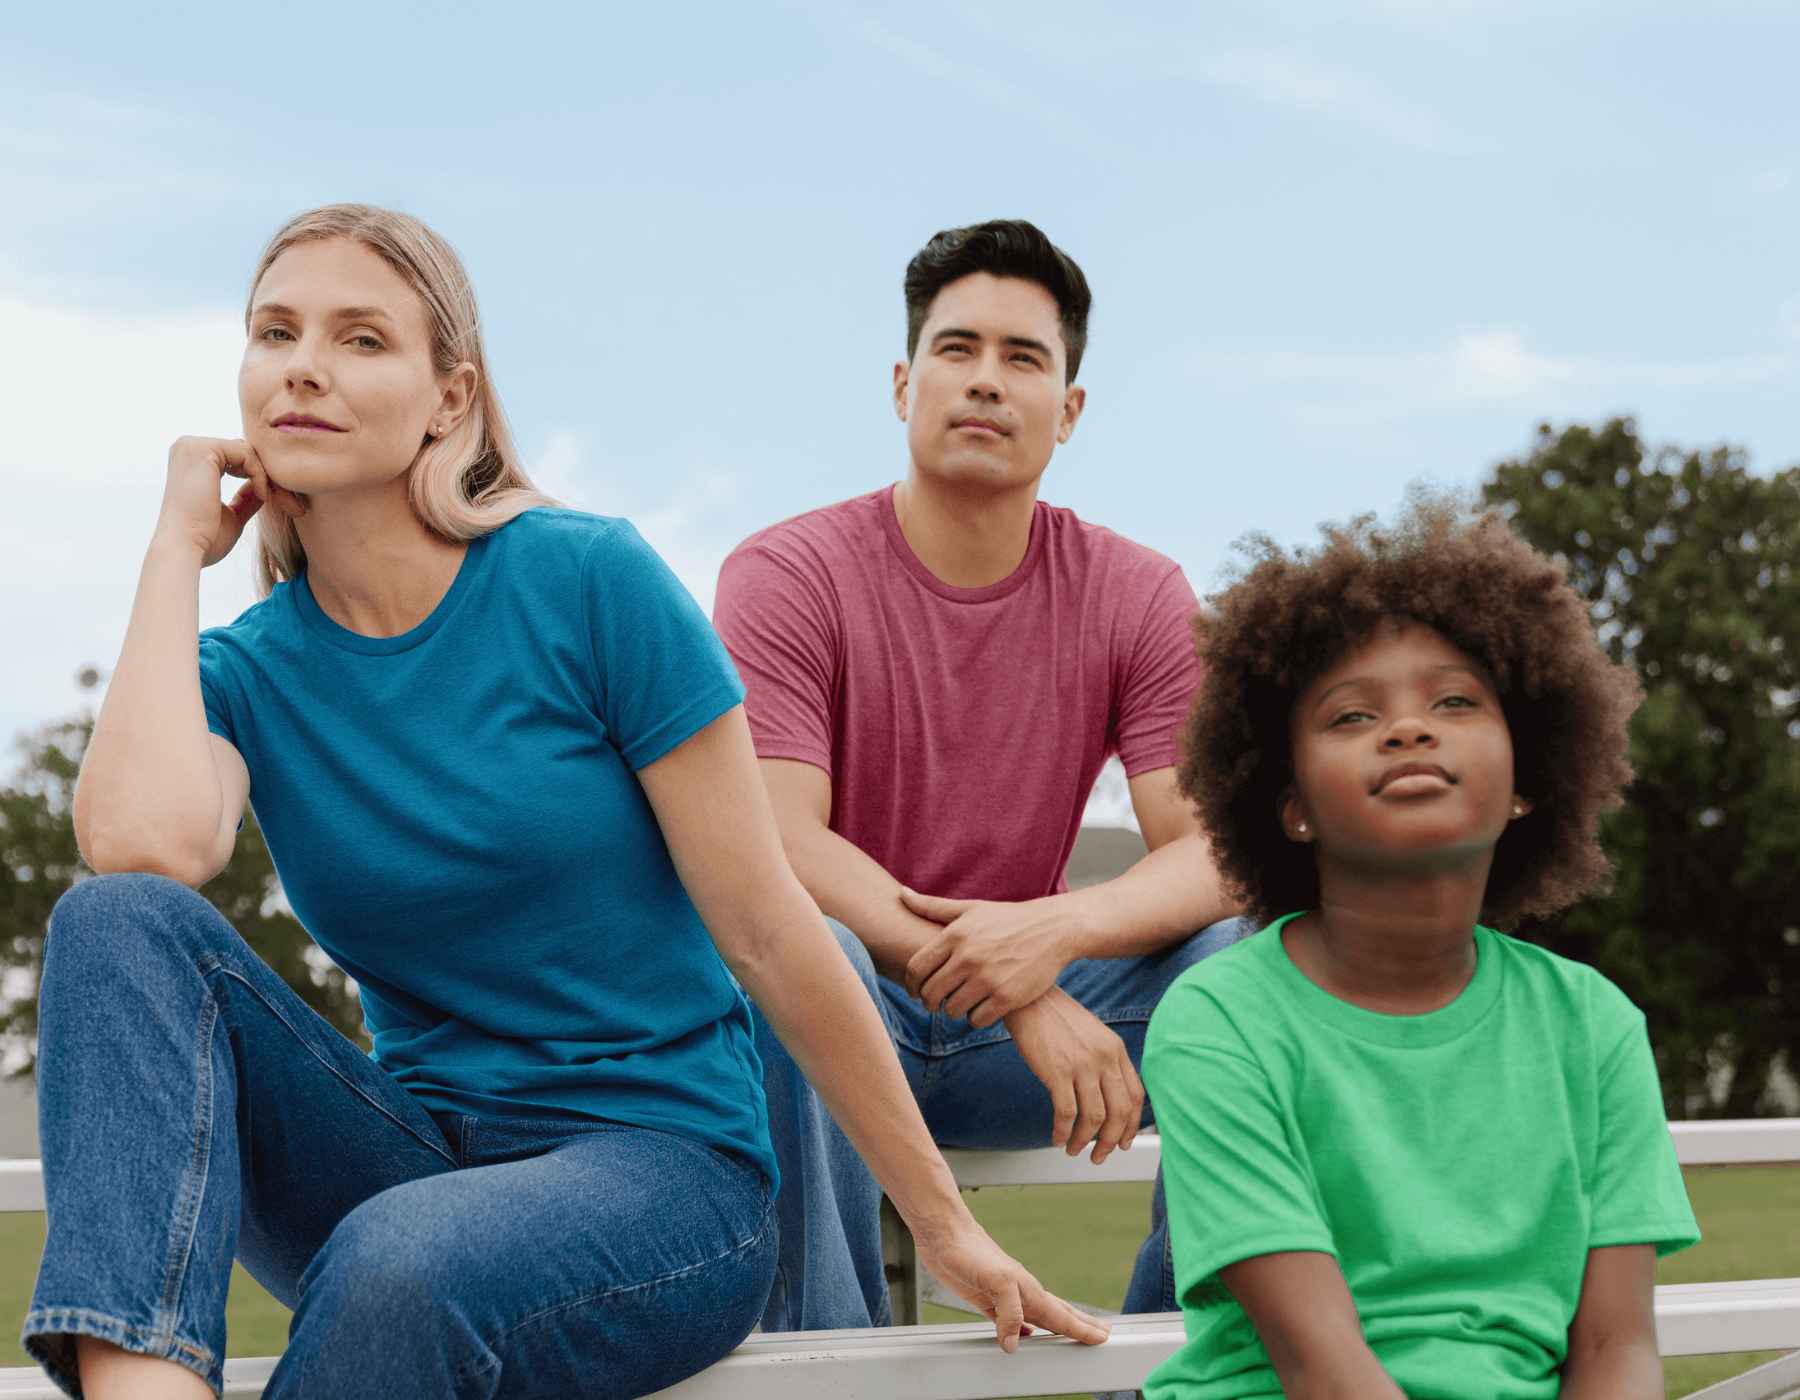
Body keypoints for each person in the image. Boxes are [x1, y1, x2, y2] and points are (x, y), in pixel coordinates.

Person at [23, 204, 1107, 1400]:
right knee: (112, 921)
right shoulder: (249, 671)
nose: (305, 366)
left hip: (665, 1178)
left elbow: (771, 929)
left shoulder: (586, 581)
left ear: (452, 396)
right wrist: (173, 553)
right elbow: (141, 844)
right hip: (415, 1153)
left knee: (402, 1262)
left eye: (361, 338)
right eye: (275, 332)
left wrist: (940, 1217)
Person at [712, 218, 1251, 1338]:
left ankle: (1158, 1367)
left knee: (1252, 965)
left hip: (1031, 1036)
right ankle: (836, 1364)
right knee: (796, 949)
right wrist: (1019, 978)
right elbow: (780, 843)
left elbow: (1216, 850)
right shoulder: (786, 572)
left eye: (1025, 358)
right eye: (957, 350)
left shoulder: (1138, 593)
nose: (987, 383)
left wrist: (1054, 934)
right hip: (835, 1011)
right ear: (904, 383)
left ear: (1071, 408)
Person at [1141, 501, 1701, 1399]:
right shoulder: (1219, 1019)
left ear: (1530, 779)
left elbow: (1616, 1351)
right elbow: (1322, 1368)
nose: (1409, 730)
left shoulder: (1593, 1024)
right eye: (1352, 716)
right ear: (1290, 806)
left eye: (1454, 701)